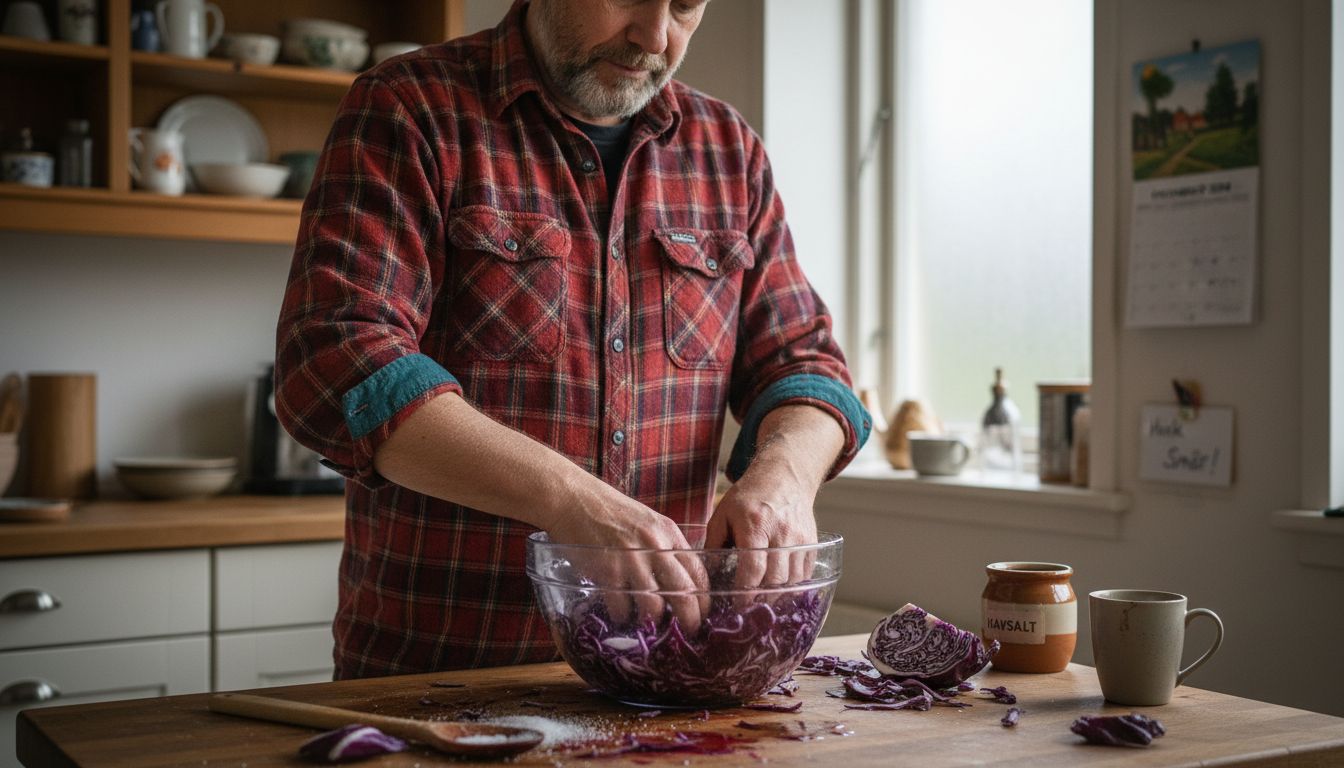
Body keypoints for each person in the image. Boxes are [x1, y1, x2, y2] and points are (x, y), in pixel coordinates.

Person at [273, 0, 871, 680]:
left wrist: (784, 478)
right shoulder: (410, 108)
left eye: (685, 7)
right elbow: (335, 361)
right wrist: (568, 499)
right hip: (437, 678)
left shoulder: (727, 149)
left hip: (664, 680)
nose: (655, 36)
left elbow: (808, 365)